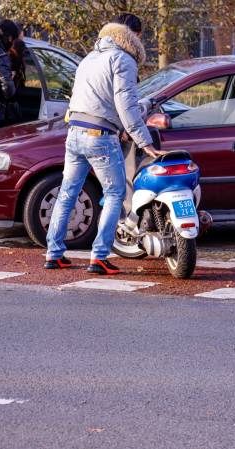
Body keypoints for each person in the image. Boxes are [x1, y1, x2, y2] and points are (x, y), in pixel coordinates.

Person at [44, 12, 165, 275]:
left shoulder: (90, 57)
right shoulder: (123, 59)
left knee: (68, 193)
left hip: (74, 131)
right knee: (115, 194)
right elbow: (126, 105)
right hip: (100, 136)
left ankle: (53, 253)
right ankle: (99, 256)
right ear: (135, 35)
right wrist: (144, 141)